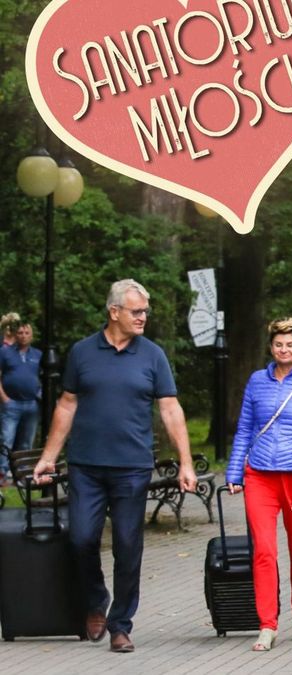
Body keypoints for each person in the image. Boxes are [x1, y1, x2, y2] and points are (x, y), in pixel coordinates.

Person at [32, 279, 197, 654]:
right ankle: (96, 600)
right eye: (136, 311)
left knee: (127, 546)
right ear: (114, 312)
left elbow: (170, 409)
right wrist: (48, 457)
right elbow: (67, 404)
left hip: (132, 467)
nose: (143, 317)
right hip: (86, 466)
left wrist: (185, 462)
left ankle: (120, 624)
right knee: (81, 539)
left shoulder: (153, 355)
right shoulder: (82, 352)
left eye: (145, 312)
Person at [226, 317, 292, 651]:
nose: (284, 349)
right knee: (264, 551)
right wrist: (234, 473)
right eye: (278, 344)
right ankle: (267, 624)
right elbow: (245, 427)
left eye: (290, 344)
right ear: (271, 347)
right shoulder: (257, 381)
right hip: (259, 474)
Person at [0, 323, 41, 485]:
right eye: (20, 332)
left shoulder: (38, 354)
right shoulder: (5, 353)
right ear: (16, 335)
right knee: (6, 440)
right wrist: (4, 399)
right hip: (11, 403)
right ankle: (2, 474)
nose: (23, 335)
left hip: (31, 404)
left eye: (27, 332)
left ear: (31, 335)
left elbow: (42, 377)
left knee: (26, 443)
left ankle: (21, 476)